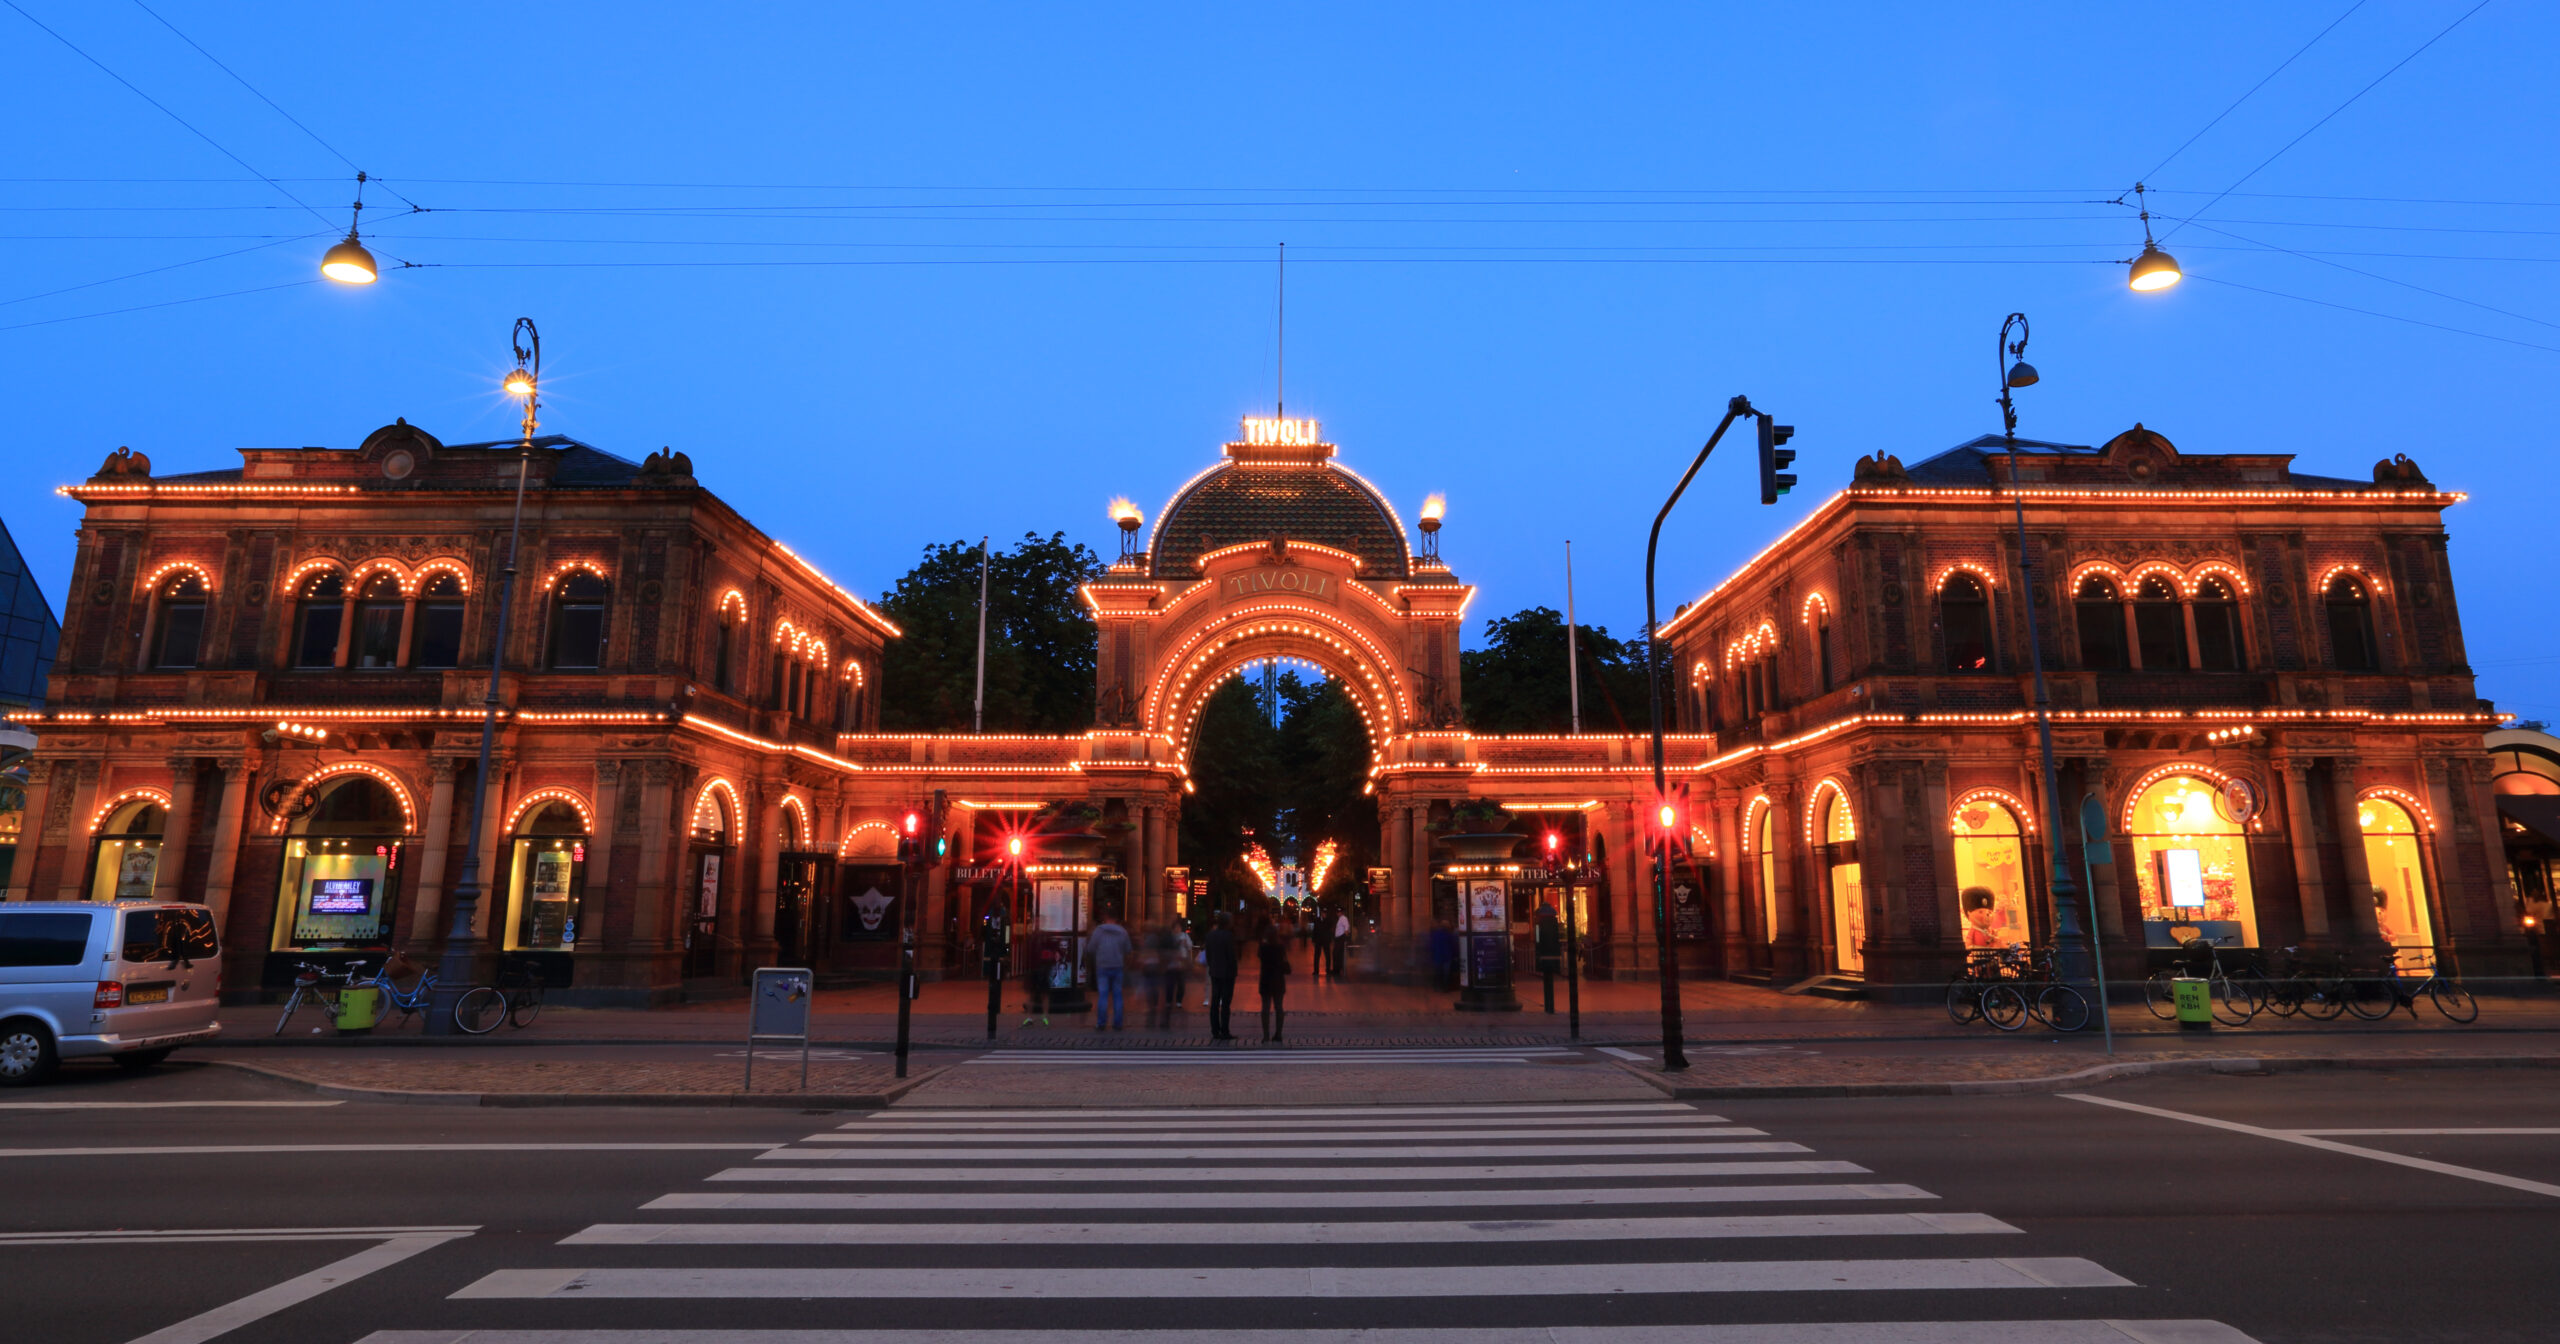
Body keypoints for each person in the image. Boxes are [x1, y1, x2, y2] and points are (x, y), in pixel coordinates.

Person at [1086, 910, 1133, 1031]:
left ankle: (1101, 1023)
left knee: (1103, 995)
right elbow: (1128, 949)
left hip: (1102, 966)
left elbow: (1091, 948)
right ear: (1116, 919)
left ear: (1105, 917)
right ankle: (1117, 1023)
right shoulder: (1122, 932)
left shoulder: (1098, 931)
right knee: (1117, 995)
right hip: (1117, 965)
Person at [1203, 910, 1239, 1041]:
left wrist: (1212, 966)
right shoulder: (1228, 936)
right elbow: (1231, 956)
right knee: (1225, 1004)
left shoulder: (1210, 935)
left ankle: (1215, 1030)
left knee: (1215, 1001)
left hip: (1214, 972)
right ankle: (1225, 1030)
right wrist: (1234, 970)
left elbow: (1208, 954)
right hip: (1227, 973)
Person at [1257, 918, 1291, 1042]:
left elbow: (1259, 956)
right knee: (1279, 1007)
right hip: (1278, 980)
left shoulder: (1263, 948)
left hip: (1266, 979)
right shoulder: (1280, 947)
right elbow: (1284, 962)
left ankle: (1265, 1035)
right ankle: (1278, 1034)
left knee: (1265, 1008)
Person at [1147, 921, 1184, 1029]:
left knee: (1158, 994)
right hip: (1171, 971)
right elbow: (1177, 955)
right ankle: (1165, 1019)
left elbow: (1156, 956)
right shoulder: (1172, 941)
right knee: (1168, 996)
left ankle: (1154, 1016)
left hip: (1160, 971)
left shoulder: (1159, 941)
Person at [1331, 908, 1351, 977]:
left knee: (1337, 954)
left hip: (1341, 938)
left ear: (1341, 912)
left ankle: (1337, 970)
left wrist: (1345, 935)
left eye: (1339, 912)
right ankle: (1337, 969)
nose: (1338, 913)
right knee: (1337, 954)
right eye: (1337, 912)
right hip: (1339, 938)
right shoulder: (1340, 918)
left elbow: (1347, 927)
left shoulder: (1343, 918)